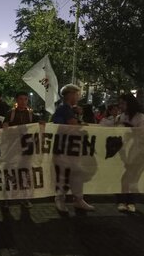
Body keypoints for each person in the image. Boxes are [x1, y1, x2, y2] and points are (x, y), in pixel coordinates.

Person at [51, 84, 95, 214]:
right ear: (70, 95)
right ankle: (60, 199)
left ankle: (77, 198)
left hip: (71, 148)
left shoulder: (69, 109)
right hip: (63, 148)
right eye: (77, 94)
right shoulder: (64, 109)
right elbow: (70, 125)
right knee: (64, 175)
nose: (78, 97)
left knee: (76, 173)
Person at [2, 91, 39, 208]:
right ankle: (6, 199)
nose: (23, 101)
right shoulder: (10, 114)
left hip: (26, 150)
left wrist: (42, 124)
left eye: (25, 99)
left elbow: (37, 128)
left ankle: (24, 198)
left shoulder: (32, 115)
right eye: (21, 99)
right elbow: (4, 129)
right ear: (16, 100)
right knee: (9, 174)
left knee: (24, 175)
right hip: (12, 150)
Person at [115, 93, 144, 213]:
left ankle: (131, 201)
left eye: (123, 103)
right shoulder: (120, 116)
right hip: (121, 151)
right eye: (120, 103)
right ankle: (121, 200)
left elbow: (143, 133)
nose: (120, 105)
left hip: (135, 150)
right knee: (120, 176)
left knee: (132, 176)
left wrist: (128, 127)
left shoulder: (140, 117)